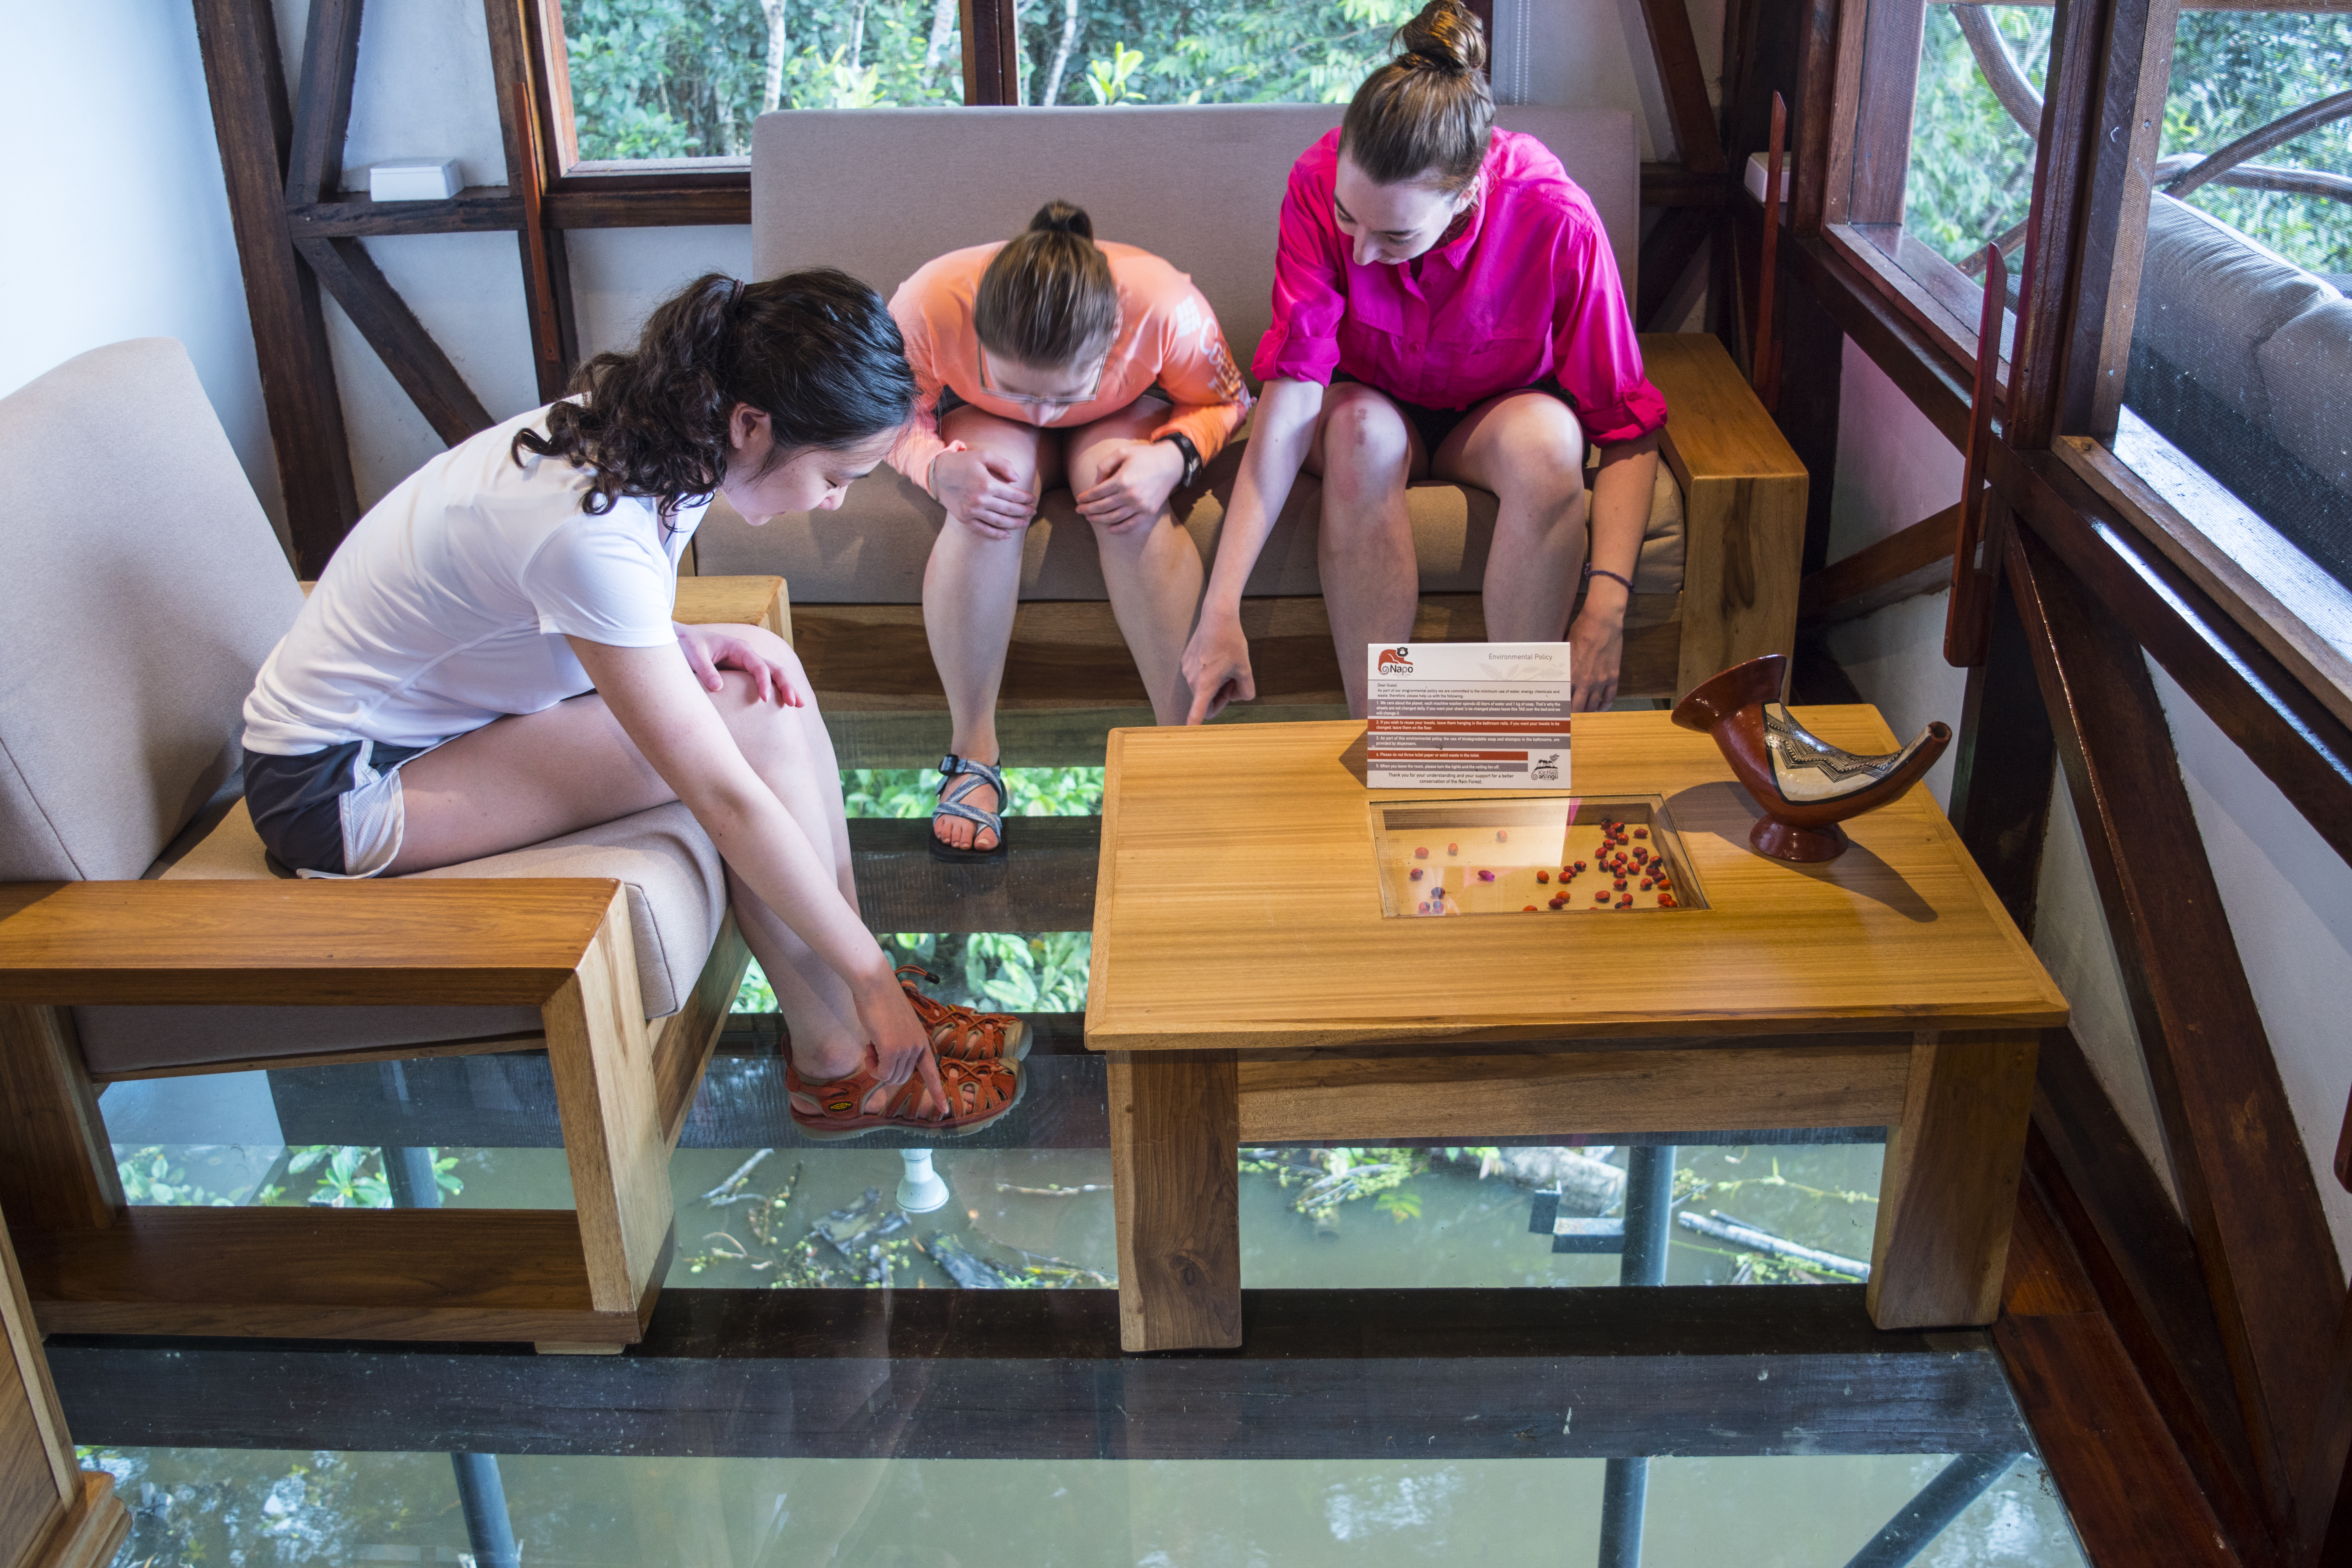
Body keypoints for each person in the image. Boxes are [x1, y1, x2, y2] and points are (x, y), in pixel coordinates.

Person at [238, 270, 1026, 1140]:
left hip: (440, 716)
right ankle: (840, 1053)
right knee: (752, 731)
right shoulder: (591, 518)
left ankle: (849, 1000)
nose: (836, 499)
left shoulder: (662, 430)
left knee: (768, 675)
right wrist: (876, 976)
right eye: (837, 474)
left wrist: (676, 636)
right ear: (752, 424)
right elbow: (722, 797)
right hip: (341, 789)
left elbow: (528, 597)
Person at [1179, 0, 1666, 722]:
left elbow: (1624, 425)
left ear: (1469, 193)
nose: (1362, 252)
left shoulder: (1554, 215)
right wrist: (1220, 607)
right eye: (1350, 219)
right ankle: (1385, 731)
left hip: (1496, 422)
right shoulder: (1316, 184)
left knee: (1553, 444)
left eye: (1396, 235)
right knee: (1360, 436)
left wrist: (1606, 608)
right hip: (1370, 408)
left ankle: (1516, 734)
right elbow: (1294, 396)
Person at [890, 201, 1252, 858]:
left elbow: (1227, 399)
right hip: (978, 417)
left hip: (1122, 414)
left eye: (1061, 396)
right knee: (991, 494)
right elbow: (888, 415)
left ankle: (1185, 747)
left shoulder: (1166, 305)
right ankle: (974, 749)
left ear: (1114, 335)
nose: (1042, 414)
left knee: (1123, 498)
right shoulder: (929, 302)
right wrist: (937, 469)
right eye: (1023, 389)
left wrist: (1172, 458)